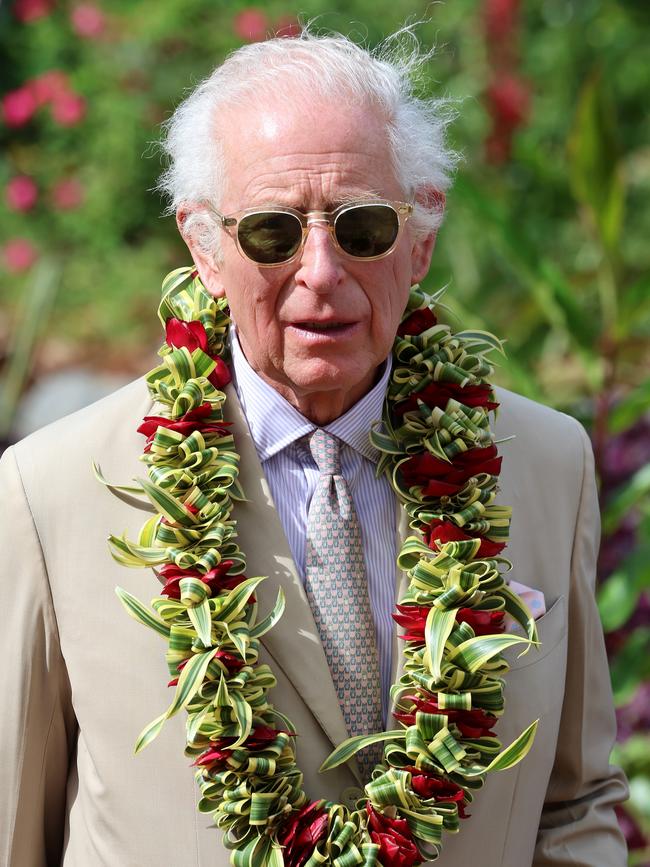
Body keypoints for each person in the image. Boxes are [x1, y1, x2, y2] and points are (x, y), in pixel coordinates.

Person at [0, 29, 628, 867]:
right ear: (205, 247)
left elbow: (576, 801)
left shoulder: (550, 466)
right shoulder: (54, 491)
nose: (321, 270)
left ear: (421, 238)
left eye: (363, 226)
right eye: (272, 232)